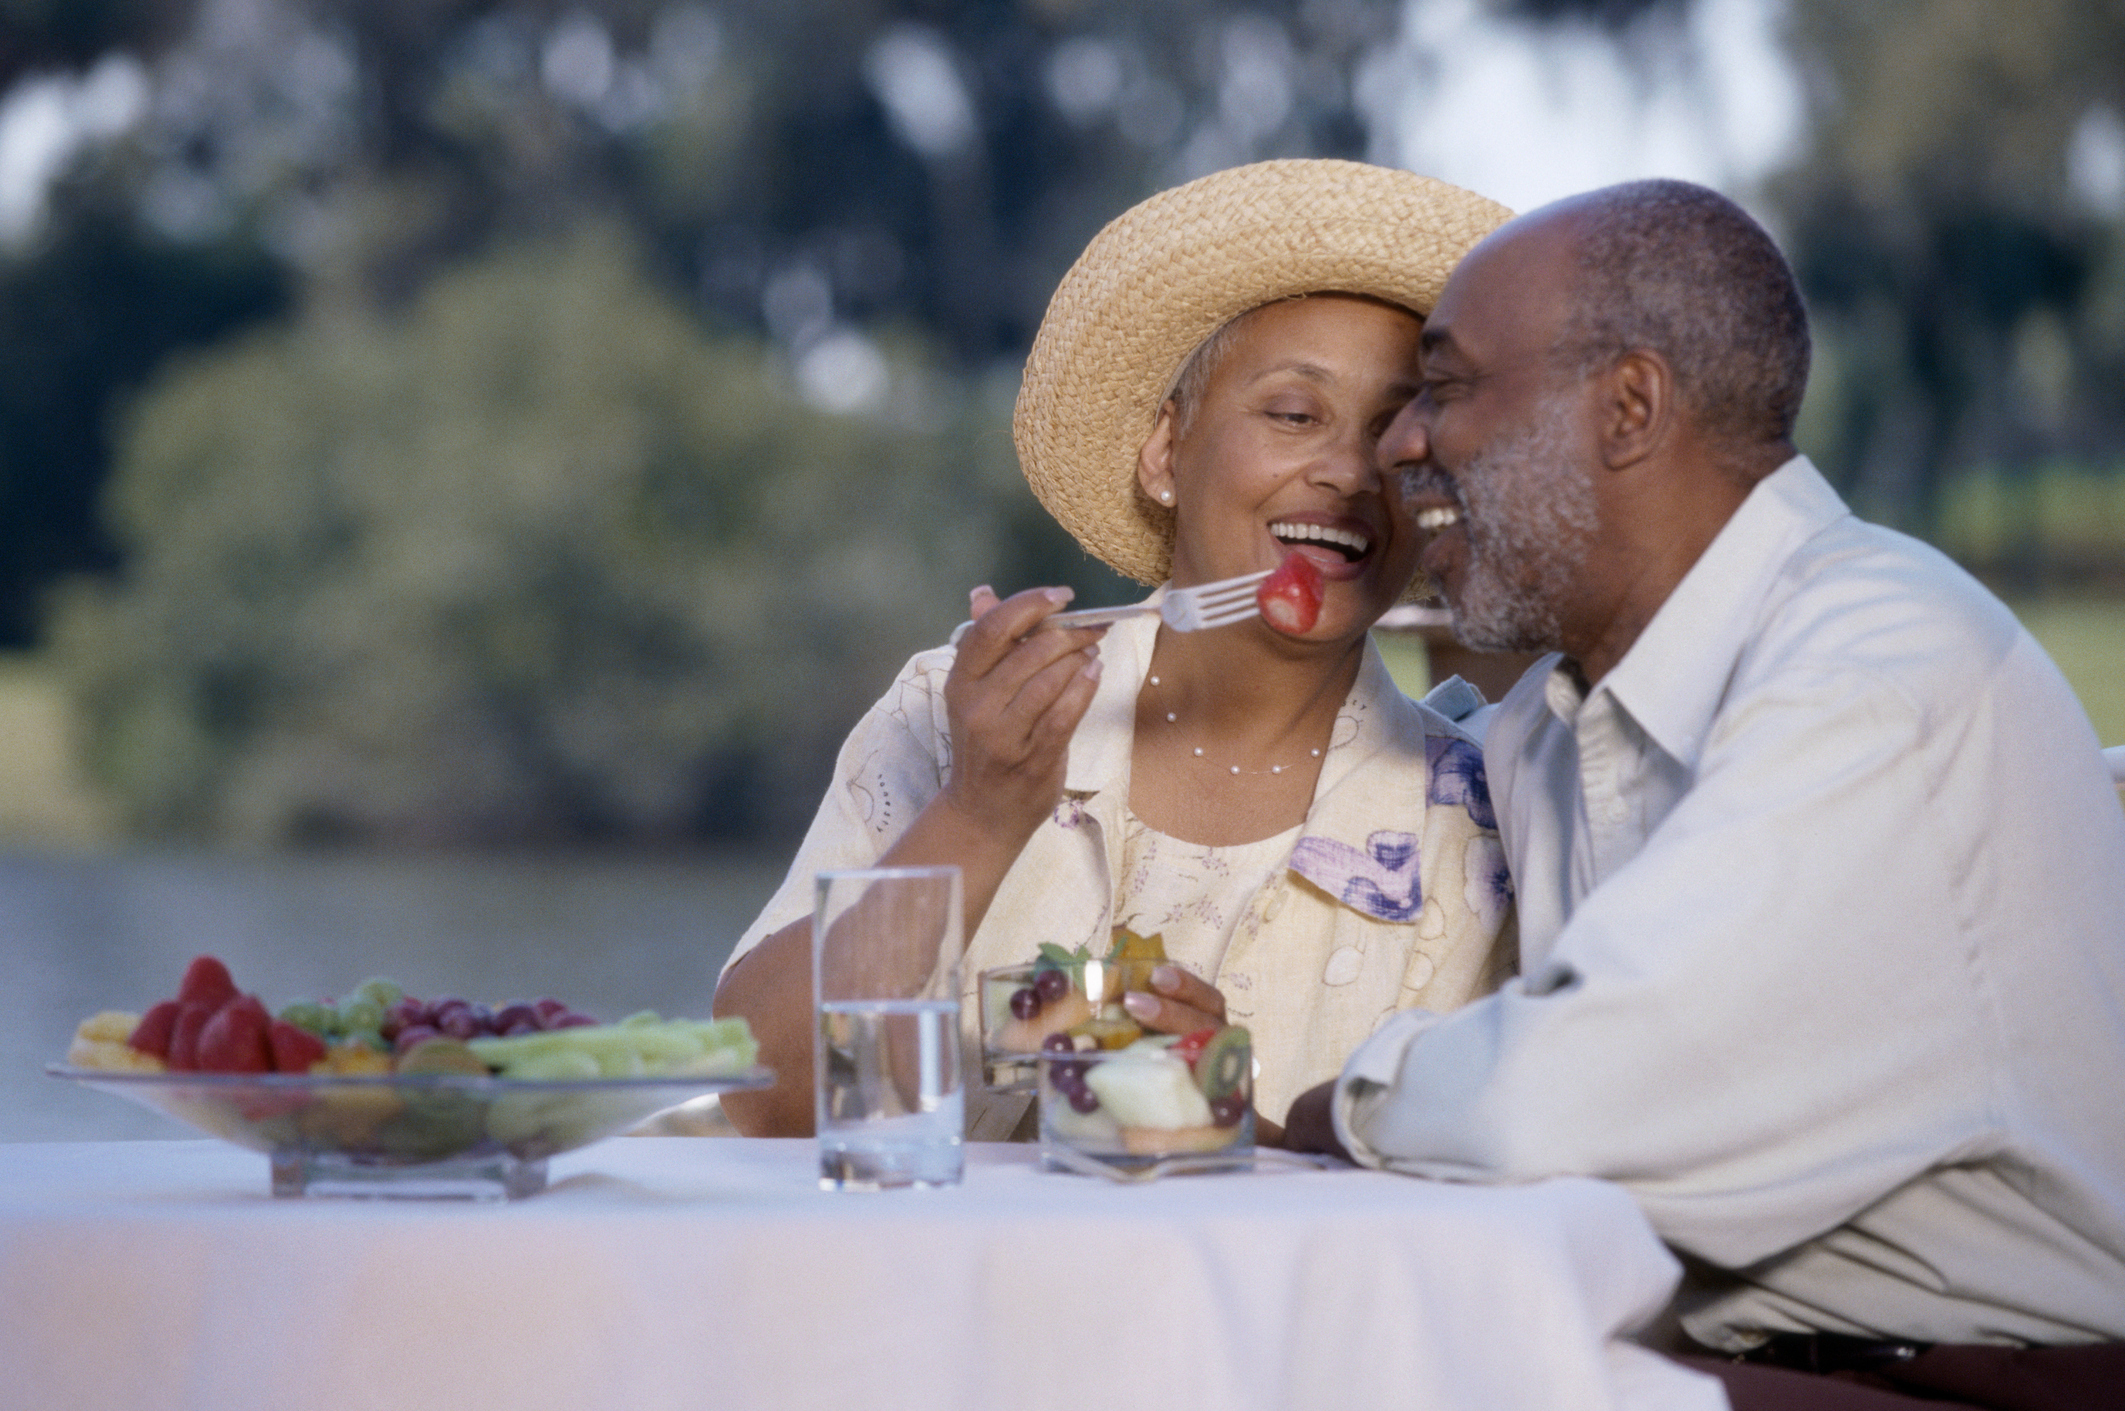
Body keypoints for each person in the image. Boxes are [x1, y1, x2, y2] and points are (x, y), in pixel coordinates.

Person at [1281, 179, 2125, 1409]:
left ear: (1629, 406)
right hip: (1736, 1364)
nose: (1400, 442)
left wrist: (1330, 1108)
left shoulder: (1872, 668)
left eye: (1447, 388)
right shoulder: (1554, 728)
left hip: (1982, 1384)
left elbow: (1559, 1106)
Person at [714, 160, 1518, 1140]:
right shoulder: (952, 716)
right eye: (1293, 414)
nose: (1347, 471)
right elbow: (761, 1094)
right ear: (1164, 451)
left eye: (1393, 436)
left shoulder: (1479, 821)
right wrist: (975, 815)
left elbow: (1478, 1201)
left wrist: (1233, 1125)